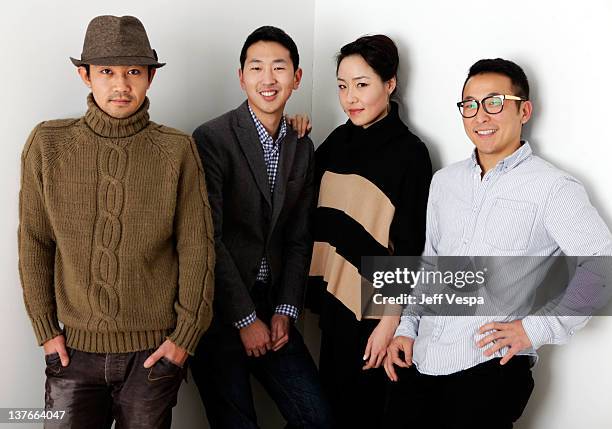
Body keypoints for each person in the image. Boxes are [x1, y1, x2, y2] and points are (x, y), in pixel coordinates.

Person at [384, 58, 612, 429]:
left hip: (487, 371)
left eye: (494, 102)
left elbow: (602, 266)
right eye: (469, 105)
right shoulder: (445, 181)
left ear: (524, 110)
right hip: (420, 361)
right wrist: (407, 328)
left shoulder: (552, 188)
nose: (480, 116)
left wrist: (535, 329)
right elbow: (431, 264)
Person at [17, 15, 215, 429]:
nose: (121, 84)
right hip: (72, 350)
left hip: (153, 355)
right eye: (107, 71)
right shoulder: (47, 145)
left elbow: (197, 247)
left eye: (133, 72)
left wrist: (184, 339)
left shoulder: (177, 150)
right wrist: (46, 331)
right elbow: (35, 242)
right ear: (85, 75)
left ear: (149, 79)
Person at [190, 26, 330, 429]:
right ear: (241, 77)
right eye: (256, 68)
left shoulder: (301, 143)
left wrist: (286, 309)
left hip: (274, 304)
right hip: (220, 310)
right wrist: (245, 319)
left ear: (296, 78)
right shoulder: (212, 139)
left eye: (279, 68)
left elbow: (300, 237)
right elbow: (208, 239)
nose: (268, 79)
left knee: (317, 418)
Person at [307, 35, 432, 427]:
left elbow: (413, 246)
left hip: (375, 317)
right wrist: (292, 132)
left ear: (390, 84)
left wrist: (390, 322)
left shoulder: (410, 153)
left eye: (362, 85)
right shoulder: (334, 143)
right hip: (331, 308)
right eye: (343, 86)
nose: (350, 98)